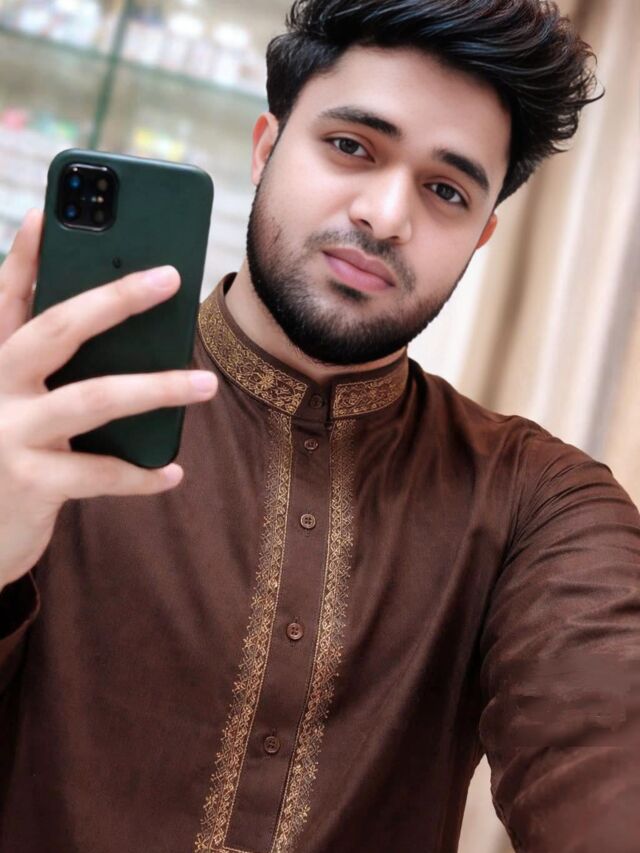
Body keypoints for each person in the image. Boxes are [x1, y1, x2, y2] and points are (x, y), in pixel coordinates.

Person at [0, 0, 638, 851]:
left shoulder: (535, 499)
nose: (385, 214)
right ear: (265, 146)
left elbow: (603, 737)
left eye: (446, 191)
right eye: (351, 146)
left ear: (481, 236)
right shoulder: (37, 413)